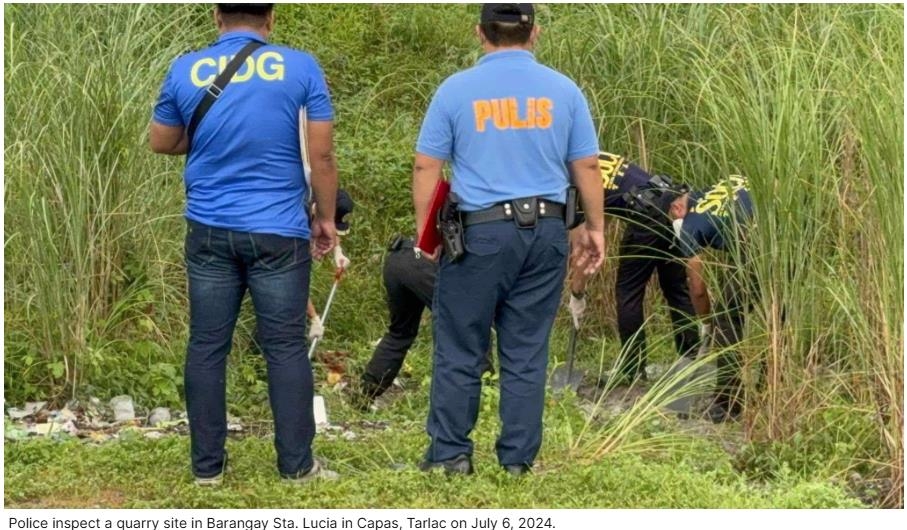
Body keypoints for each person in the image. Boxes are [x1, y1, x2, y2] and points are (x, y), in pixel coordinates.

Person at [149, 3, 339, 484]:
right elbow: (322, 155)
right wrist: (327, 219)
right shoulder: (300, 66)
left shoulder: (184, 67)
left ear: (217, 17)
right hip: (279, 231)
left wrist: (215, 137)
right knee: (285, 348)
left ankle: (206, 470)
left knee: (208, 345)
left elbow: (161, 141)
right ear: (270, 19)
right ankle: (297, 467)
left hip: (209, 229)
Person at [412, 3, 605, 476]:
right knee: (526, 349)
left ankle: (451, 455)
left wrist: (429, 235)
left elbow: (426, 166)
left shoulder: (456, 90)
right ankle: (517, 461)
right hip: (545, 233)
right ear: (534, 33)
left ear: (481, 33)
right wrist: (594, 228)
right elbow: (587, 166)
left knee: (461, 343)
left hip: (480, 234)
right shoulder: (564, 91)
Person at [568, 152, 700, 385]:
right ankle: (691, 361)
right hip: (669, 205)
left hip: (644, 215)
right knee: (676, 289)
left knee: (628, 293)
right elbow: (603, 215)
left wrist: (576, 293)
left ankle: (632, 369)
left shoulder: (573, 180)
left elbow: (584, 248)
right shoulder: (594, 157)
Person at [352, 235, 494, 411]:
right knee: (469, 324)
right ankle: (484, 396)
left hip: (398, 257)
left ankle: (363, 396)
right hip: (423, 258)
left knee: (400, 333)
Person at [667, 175, 754, 423]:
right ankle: (775, 384)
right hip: (790, 233)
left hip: (760, 248)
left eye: (671, 218)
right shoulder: (722, 184)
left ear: (676, 207)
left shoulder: (689, 226)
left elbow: (697, 288)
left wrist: (707, 323)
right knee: (780, 316)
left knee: (726, 317)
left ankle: (728, 404)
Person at [307, 189, 354, 343]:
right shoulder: (294, 220)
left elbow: (329, 225)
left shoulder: (324, 196)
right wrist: (314, 318)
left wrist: (337, 252)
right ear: (315, 209)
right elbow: (292, 284)